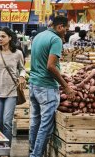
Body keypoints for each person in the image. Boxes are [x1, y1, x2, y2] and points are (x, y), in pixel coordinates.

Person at [29, 16, 75, 157]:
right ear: (60, 27)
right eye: (66, 29)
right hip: (47, 87)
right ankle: (36, 155)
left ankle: (32, 152)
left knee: (35, 121)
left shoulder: (39, 36)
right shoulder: (55, 40)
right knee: (45, 126)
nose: (66, 32)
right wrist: (66, 86)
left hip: (34, 84)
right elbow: (51, 66)